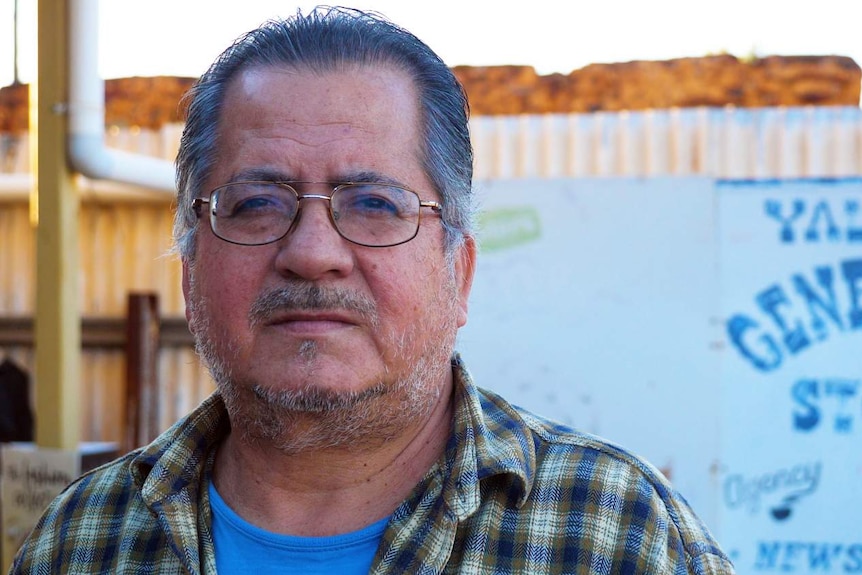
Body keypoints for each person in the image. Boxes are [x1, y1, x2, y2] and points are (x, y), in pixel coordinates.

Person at [10, 7, 735, 574]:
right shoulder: (80, 542)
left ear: (460, 274)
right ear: (189, 270)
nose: (313, 253)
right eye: (258, 202)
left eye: (376, 204)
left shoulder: (619, 537)